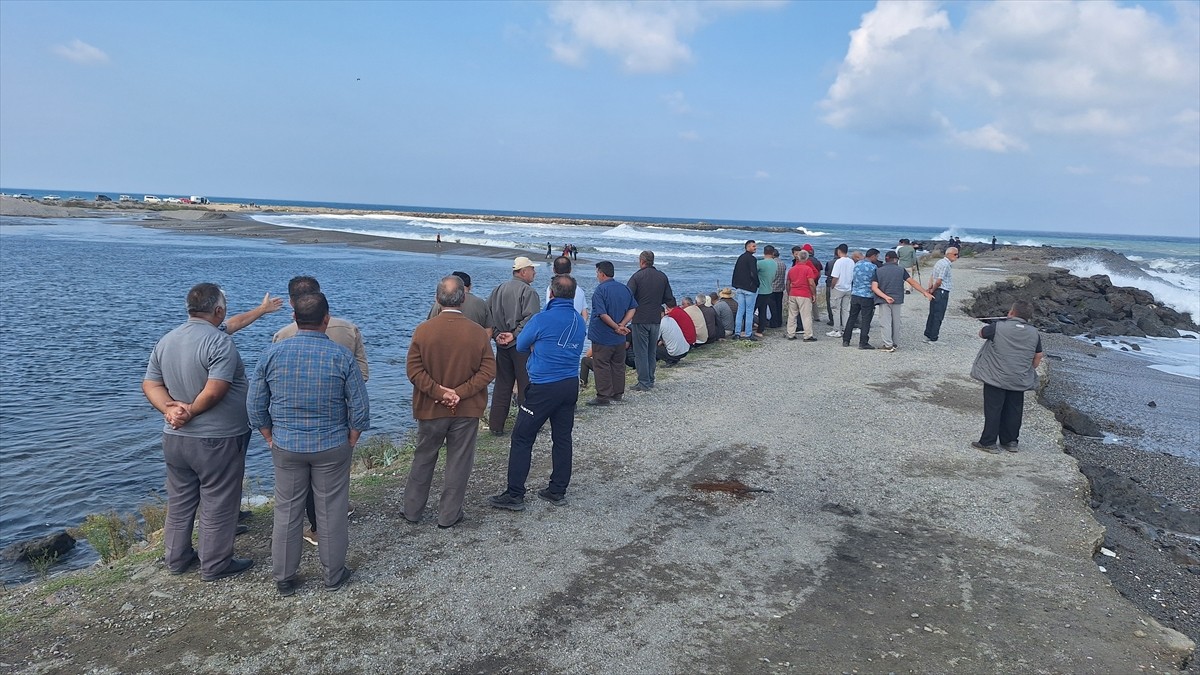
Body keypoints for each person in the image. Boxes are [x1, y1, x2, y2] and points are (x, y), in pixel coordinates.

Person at [248, 292, 369, 596]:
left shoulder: (272, 353)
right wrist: (352, 437)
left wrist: (267, 434)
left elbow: (254, 404)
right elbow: (360, 407)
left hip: (286, 444)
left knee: (287, 511)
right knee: (331, 510)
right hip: (331, 443)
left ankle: (285, 577)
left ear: (294, 317)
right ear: (326, 320)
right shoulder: (341, 356)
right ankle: (333, 574)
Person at [142, 283, 253, 582]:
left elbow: (150, 384)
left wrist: (169, 410)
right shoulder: (219, 343)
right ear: (217, 310)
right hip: (217, 438)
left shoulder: (167, 340)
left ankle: (177, 558)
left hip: (175, 439)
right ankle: (215, 564)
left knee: (180, 500)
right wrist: (188, 411)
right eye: (225, 307)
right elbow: (216, 390)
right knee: (219, 499)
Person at [274, 276, 369, 547]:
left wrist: (268, 431)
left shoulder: (282, 337)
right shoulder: (349, 329)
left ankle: (314, 528)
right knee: (334, 478)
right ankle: (330, 536)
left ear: (292, 306)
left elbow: (270, 386)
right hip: (339, 417)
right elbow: (363, 373)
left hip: (292, 425)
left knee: (297, 485)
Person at [404, 276, 496, 528]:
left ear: (437, 299)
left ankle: (412, 510)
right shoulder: (477, 333)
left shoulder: (424, 330)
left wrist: (439, 392)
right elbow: (488, 371)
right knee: (459, 462)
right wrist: (460, 392)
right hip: (466, 409)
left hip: (430, 407)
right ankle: (448, 515)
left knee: (423, 457)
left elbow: (413, 370)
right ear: (464, 298)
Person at [489, 275, 586, 510]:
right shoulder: (579, 320)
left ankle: (515, 494)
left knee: (522, 437)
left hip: (544, 385)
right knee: (562, 438)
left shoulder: (542, 319)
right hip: (569, 383)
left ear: (551, 294)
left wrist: (538, 345)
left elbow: (521, 345)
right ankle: (557, 489)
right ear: (573, 296)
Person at [970, 301, 1043, 453]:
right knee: (1014, 409)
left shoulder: (998, 327)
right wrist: (1029, 369)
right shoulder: (1034, 333)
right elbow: (1038, 356)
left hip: (996, 376)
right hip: (1018, 377)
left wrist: (1002, 323)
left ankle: (988, 442)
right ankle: (1010, 441)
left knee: (993, 408)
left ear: (1011, 313)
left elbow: (982, 333)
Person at [274, 276, 369, 382]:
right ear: (320, 298)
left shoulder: (282, 335)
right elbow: (362, 375)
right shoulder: (350, 329)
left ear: (291, 302)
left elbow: (276, 376)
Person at [486, 257, 541, 435]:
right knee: (526, 384)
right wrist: (514, 334)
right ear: (523, 271)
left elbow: (488, 315)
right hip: (520, 345)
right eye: (532, 269)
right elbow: (532, 318)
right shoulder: (528, 291)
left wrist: (496, 334)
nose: (535, 272)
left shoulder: (498, 289)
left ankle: (496, 426)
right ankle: (527, 424)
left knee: (502, 384)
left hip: (502, 344)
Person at [587, 261, 637, 407]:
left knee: (601, 364)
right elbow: (633, 308)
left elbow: (602, 314)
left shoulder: (600, 290)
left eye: (597, 273)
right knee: (618, 364)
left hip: (603, 335)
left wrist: (617, 326)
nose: (597, 276)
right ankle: (617, 392)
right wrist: (623, 324)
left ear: (602, 273)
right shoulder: (624, 289)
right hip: (619, 337)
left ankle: (603, 396)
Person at [626, 250, 674, 391]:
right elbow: (669, 299)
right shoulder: (662, 277)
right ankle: (650, 379)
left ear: (642, 261)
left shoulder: (636, 277)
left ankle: (644, 382)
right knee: (651, 351)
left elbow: (628, 296)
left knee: (640, 352)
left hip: (640, 318)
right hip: (655, 318)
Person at [870, 250, 934, 352]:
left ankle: (888, 344)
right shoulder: (901, 270)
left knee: (885, 322)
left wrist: (885, 297)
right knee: (896, 322)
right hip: (897, 299)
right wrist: (924, 292)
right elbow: (912, 282)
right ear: (895, 259)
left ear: (886, 259)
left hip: (883, 299)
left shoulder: (878, 270)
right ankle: (895, 343)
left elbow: (874, 287)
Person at [843, 249, 881, 350]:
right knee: (865, 319)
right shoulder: (873, 267)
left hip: (855, 294)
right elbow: (876, 281)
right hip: (867, 295)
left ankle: (846, 339)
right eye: (876, 257)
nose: (877, 259)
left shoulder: (857, 264)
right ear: (872, 256)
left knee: (852, 317)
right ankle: (863, 342)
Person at [923, 247, 958, 344]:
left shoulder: (939, 262)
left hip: (937, 290)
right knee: (938, 315)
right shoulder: (945, 264)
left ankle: (928, 334)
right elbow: (939, 281)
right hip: (941, 291)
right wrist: (932, 289)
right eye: (955, 254)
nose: (957, 256)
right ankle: (933, 337)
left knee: (932, 313)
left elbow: (932, 276)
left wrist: (930, 288)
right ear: (949, 254)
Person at [785, 249, 820, 341]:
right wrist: (813, 294)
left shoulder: (792, 269)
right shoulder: (808, 269)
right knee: (806, 315)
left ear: (798, 257)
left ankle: (790, 334)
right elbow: (811, 283)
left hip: (793, 293)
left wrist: (789, 293)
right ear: (807, 258)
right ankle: (808, 335)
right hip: (804, 294)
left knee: (792, 315)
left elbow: (788, 283)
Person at [731, 240, 759, 340]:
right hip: (749, 289)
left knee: (740, 310)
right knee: (749, 311)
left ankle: (737, 333)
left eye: (755, 246)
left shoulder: (740, 258)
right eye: (753, 246)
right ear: (747, 247)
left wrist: (735, 285)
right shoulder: (752, 259)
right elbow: (753, 273)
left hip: (740, 288)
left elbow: (736, 272)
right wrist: (757, 284)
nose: (755, 248)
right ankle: (748, 333)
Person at [827, 244, 854, 338]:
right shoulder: (851, 261)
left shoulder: (838, 262)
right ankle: (846, 328)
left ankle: (836, 329)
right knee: (845, 310)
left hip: (838, 288)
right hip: (848, 288)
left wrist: (832, 286)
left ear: (839, 251)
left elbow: (835, 277)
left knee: (835, 309)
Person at [656, 301, 691, 366]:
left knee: (653, 347)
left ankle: (670, 360)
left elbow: (654, 339)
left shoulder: (660, 324)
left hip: (675, 353)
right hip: (685, 350)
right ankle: (674, 359)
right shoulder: (671, 319)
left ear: (662, 314)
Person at [754, 247, 776, 335]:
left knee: (752, 309)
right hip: (769, 289)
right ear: (773, 253)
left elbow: (753, 272)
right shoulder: (774, 263)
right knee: (762, 310)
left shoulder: (760, 263)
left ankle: (745, 328)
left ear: (764, 252)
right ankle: (760, 329)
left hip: (761, 290)